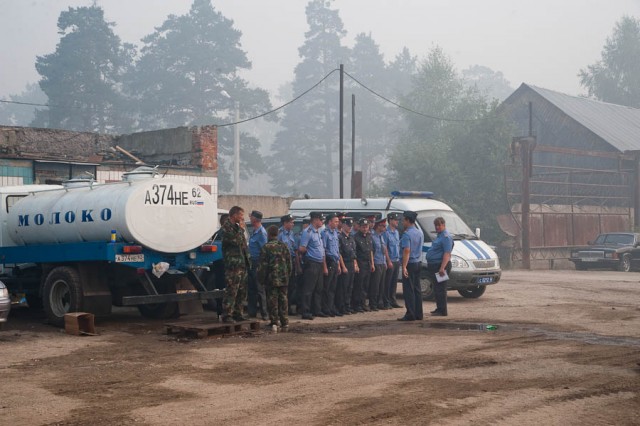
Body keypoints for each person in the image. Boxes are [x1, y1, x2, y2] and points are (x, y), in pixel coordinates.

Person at [258, 225, 292, 329]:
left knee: (272, 300)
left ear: (268, 234)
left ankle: (274, 322)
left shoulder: (266, 247)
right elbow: (289, 263)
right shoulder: (284, 246)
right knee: (283, 299)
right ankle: (285, 321)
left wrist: (261, 279)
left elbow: (263, 266)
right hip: (283, 278)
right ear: (277, 234)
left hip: (271, 279)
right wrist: (287, 275)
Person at [221, 206, 251, 323]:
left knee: (242, 291)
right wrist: (242, 230)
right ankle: (227, 314)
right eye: (241, 215)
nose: (242, 218)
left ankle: (238, 313)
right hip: (233, 265)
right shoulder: (227, 228)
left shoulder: (236, 228)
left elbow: (243, 245)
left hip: (241, 263)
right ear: (234, 215)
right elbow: (236, 241)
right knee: (232, 290)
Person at [298, 212, 327, 320]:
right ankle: (305, 311)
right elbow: (302, 248)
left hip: (319, 263)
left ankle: (317, 310)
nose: (322, 222)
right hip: (312, 263)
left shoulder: (317, 232)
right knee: (308, 289)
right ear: (315, 220)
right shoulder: (308, 232)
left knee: (319, 288)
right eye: (321, 219)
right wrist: (310, 253)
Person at [398, 210, 424, 321]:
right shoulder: (419, 233)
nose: (402, 222)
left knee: (408, 290)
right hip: (418, 262)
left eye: (404, 220)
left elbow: (407, 251)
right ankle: (419, 313)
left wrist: (404, 267)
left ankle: (410, 314)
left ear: (408, 220)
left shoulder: (407, 234)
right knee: (417, 289)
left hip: (410, 264)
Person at [428, 217, 453, 316]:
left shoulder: (446, 237)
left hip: (441, 265)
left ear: (443, 224)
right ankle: (439, 308)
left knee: (441, 289)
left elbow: (447, 253)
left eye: (439, 225)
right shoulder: (440, 235)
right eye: (436, 225)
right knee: (437, 288)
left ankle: (442, 310)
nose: (437, 227)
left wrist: (442, 268)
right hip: (436, 265)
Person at [248, 210, 268, 320]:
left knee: (260, 289)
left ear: (255, 219)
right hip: (252, 262)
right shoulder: (254, 231)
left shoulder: (261, 233)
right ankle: (252, 312)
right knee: (251, 289)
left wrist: (262, 266)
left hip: (258, 263)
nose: (250, 219)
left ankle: (264, 313)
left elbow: (264, 250)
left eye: (251, 217)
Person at [321, 213, 341, 316]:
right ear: (329, 222)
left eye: (338, 221)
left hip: (334, 262)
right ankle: (325, 308)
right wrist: (324, 266)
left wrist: (338, 265)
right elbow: (323, 250)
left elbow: (337, 250)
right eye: (335, 221)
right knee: (326, 287)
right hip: (328, 261)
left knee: (333, 288)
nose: (337, 223)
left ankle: (331, 307)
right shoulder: (325, 233)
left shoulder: (335, 233)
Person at [337, 217, 358, 315]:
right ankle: (341, 307)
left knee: (350, 287)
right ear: (343, 225)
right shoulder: (340, 237)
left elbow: (353, 253)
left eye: (351, 226)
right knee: (343, 288)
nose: (350, 228)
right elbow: (339, 253)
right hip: (344, 263)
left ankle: (347, 306)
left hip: (351, 264)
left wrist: (355, 264)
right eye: (348, 226)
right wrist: (343, 266)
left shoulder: (351, 238)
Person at [353, 217, 374, 312]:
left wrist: (372, 264)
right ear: (359, 227)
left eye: (366, 227)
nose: (365, 228)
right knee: (359, 285)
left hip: (367, 263)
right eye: (363, 227)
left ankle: (363, 303)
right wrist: (356, 265)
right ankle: (357, 304)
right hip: (360, 263)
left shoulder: (369, 236)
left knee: (366, 285)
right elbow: (354, 253)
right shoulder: (356, 237)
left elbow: (370, 251)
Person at [279, 214, 298, 315]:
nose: (293, 224)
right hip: (283, 263)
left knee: (291, 286)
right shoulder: (280, 234)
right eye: (291, 222)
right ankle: (282, 308)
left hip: (292, 261)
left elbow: (294, 248)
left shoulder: (291, 233)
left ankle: (289, 307)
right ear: (285, 223)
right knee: (283, 287)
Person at [384, 212, 403, 309]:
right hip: (390, 260)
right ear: (390, 220)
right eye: (395, 220)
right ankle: (386, 301)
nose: (397, 222)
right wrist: (388, 261)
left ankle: (393, 299)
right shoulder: (386, 233)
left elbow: (397, 246)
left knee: (394, 282)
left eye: (398, 220)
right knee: (388, 282)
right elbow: (385, 248)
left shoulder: (396, 232)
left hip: (396, 260)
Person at [370, 218, 389, 311]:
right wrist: (372, 263)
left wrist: (385, 261)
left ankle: (379, 302)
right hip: (376, 263)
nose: (385, 228)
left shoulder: (381, 236)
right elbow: (372, 251)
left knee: (381, 285)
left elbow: (384, 250)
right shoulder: (372, 236)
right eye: (384, 226)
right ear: (378, 226)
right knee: (375, 285)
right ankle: (373, 304)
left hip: (382, 262)